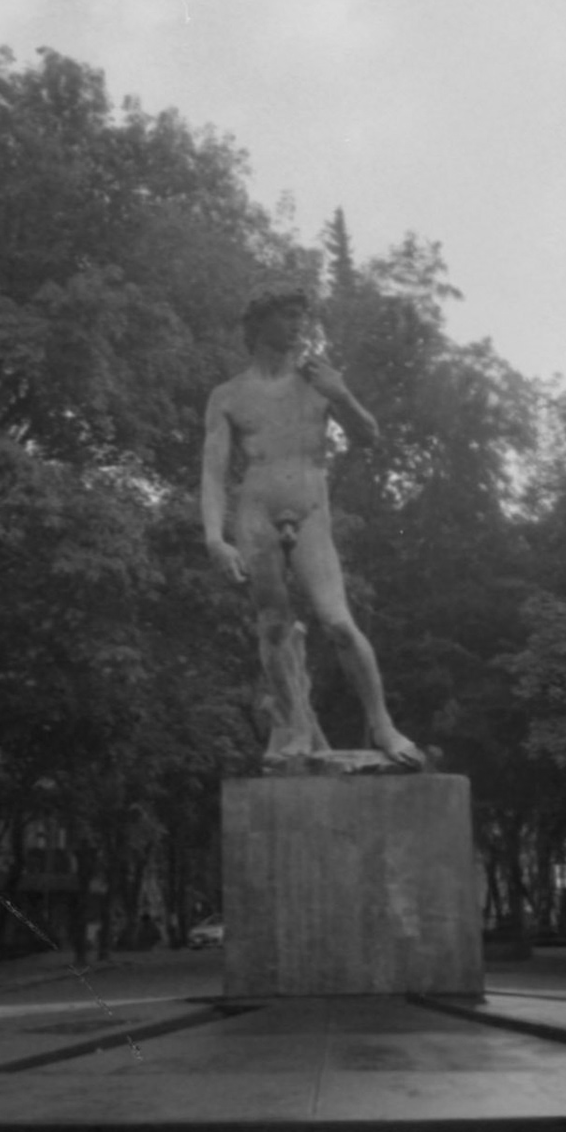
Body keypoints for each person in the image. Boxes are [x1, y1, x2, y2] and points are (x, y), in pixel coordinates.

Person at [201, 287, 428, 770]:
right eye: (287, 316)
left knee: (337, 622)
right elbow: (213, 473)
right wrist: (214, 538)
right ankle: (297, 724)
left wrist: (340, 393)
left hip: (309, 508)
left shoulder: (317, 381)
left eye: (301, 317)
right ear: (260, 323)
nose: (297, 325)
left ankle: (383, 724)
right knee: (274, 625)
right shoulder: (228, 395)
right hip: (256, 513)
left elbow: (369, 436)